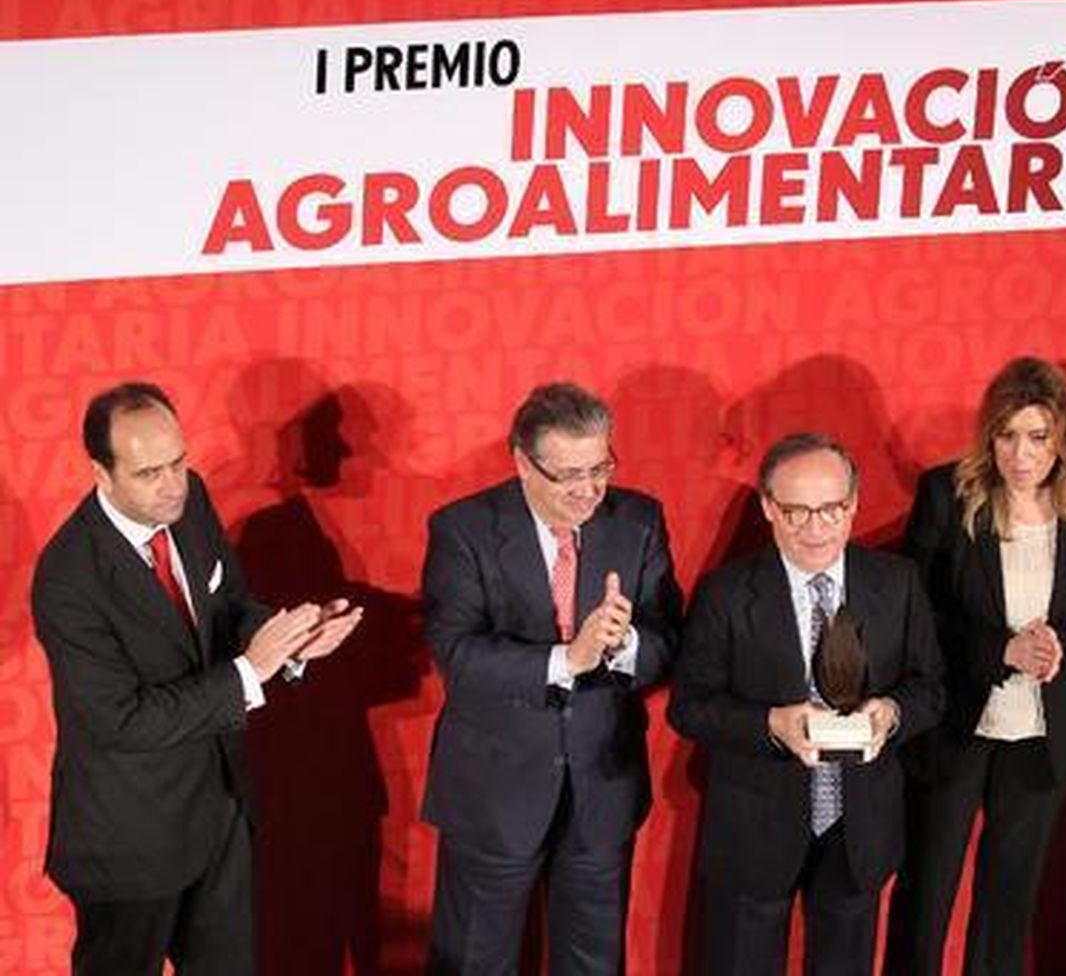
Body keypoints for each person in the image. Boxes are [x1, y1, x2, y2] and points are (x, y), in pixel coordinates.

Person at [31, 381, 361, 976]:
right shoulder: (67, 578)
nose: (172, 485)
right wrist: (248, 672)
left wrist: (292, 643)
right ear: (101, 473)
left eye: (179, 463)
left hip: (219, 814)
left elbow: (230, 606)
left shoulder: (190, 503)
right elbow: (120, 719)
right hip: (127, 838)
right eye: (149, 472)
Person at [421, 381, 683, 976]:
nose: (588, 490)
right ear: (522, 461)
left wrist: (627, 644)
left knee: (593, 963)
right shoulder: (463, 529)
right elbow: (456, 654)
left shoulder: (638, 520)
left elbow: (671, 637)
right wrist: (569, 659)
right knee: (474, 963)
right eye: (568, 474)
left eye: (600, 468)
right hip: (494, 792)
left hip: (601, 789)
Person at [884, 357, 1066, 976]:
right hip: (957, 723)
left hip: (1046, 732)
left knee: (1009, 894)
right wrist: (1000, 650)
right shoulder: (950, 494)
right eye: (1007, 435)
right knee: (928, 886)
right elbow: (917, 617)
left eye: (1038, 437)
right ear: (989, 435)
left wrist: (1061, 647)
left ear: (1064, 437)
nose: (1021, 454)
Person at [668, 432, 943, 975]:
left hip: (859, 829)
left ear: (854, 503)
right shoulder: (726, 592)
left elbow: (930, 689)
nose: (816, 527)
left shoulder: (898, 583)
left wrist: (890, 714)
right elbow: (690, 706)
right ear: (769, 507)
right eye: (796, 512)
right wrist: (772, 723)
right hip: (755, 827)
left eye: (832, 509)